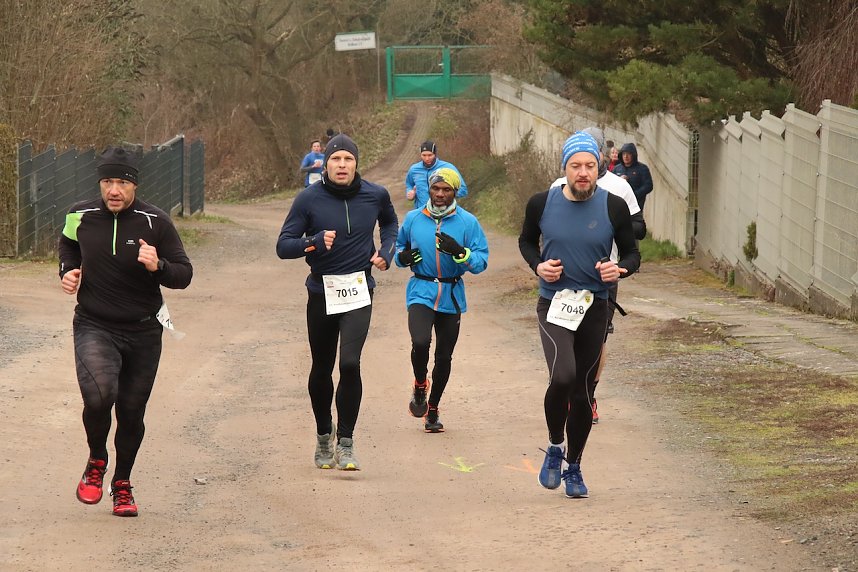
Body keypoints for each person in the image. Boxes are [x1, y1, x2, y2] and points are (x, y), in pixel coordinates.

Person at [58, 146, 193, 517]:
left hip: (144, 330)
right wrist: (67, 270)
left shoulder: (156, 222)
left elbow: (184, 273)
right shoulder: (79, 214)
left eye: (121, 182)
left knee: (132, 412)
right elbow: (69, 244)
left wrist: (159, 265)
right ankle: (97, 459)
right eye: (107, 181)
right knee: (100, 397)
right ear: (100, 183)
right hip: (94, 323)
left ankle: (122, 483)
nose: (113, 190)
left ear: (134, 185)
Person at [519, 131, 640, 498]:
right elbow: (526, 241)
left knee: (584, 390)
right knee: (563, 377)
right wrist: (539, 267)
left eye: (589, 165)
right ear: (565, 169)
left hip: (595, 306)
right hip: (554, 303)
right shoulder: (541, 203)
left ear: (599, 167)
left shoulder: (613, 206)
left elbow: (633, 254)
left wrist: (620, 271)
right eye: (576, 166)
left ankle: (574, 465)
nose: (583, 172)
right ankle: (555, 446)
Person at [276, 133, 398, 471]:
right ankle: (322, 434)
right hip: (321, 292)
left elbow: (389, 224)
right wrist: (312, 242)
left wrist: (386, 252)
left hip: (359, 289)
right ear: (325, 164)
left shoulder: (376, 195)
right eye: (335, 159)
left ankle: (346, 441)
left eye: (347, 159)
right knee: (322, 366)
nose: (341, 165)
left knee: (349, 364)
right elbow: (284, 245)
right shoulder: (308, 199)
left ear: (356, 163)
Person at [549, 126, 646, 424]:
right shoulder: (557, 186)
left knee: (597, 341)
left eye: (593, 155)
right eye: (577, 161)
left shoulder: (619, 187)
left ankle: (588, 394)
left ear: (602, 154)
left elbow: (639, 227)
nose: (585, 166)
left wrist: (612, 225)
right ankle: (565, 390)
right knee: (563, 338)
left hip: (604, 274)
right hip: (563, 277)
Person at [395, 168, 489, 432]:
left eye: (446, 190)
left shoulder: (468, 222)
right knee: (420, 341)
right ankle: (419, 384)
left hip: (451, 294)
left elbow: (481, 261)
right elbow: (400, 249)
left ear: (455, 192)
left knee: (444, 357)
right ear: (429, 189)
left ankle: (433, 409)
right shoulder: (414, 218)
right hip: (420, 291)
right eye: (436, 188)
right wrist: (402, 258)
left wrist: (461, 252)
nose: (439, 194)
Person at [404, 140, 468, 209]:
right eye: (424, 155)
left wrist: (447, 194)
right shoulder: (414, 169)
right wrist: (411, 192)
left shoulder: (448, 167)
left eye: (430, 155)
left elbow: (463, 189)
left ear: (435, 154)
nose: (427, 158)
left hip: (443, 211)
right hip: (421, 211)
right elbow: (409, 184)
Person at [613, 142, 654, 210]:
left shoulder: (642, 168)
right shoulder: (616, 169)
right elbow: (610, 184)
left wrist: (634, 195)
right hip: (619, 205)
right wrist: (619, 181)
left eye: (628, 154)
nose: (626, 156)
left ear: (633, 155)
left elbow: (648, 186)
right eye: (624, 154)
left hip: (636, 205)